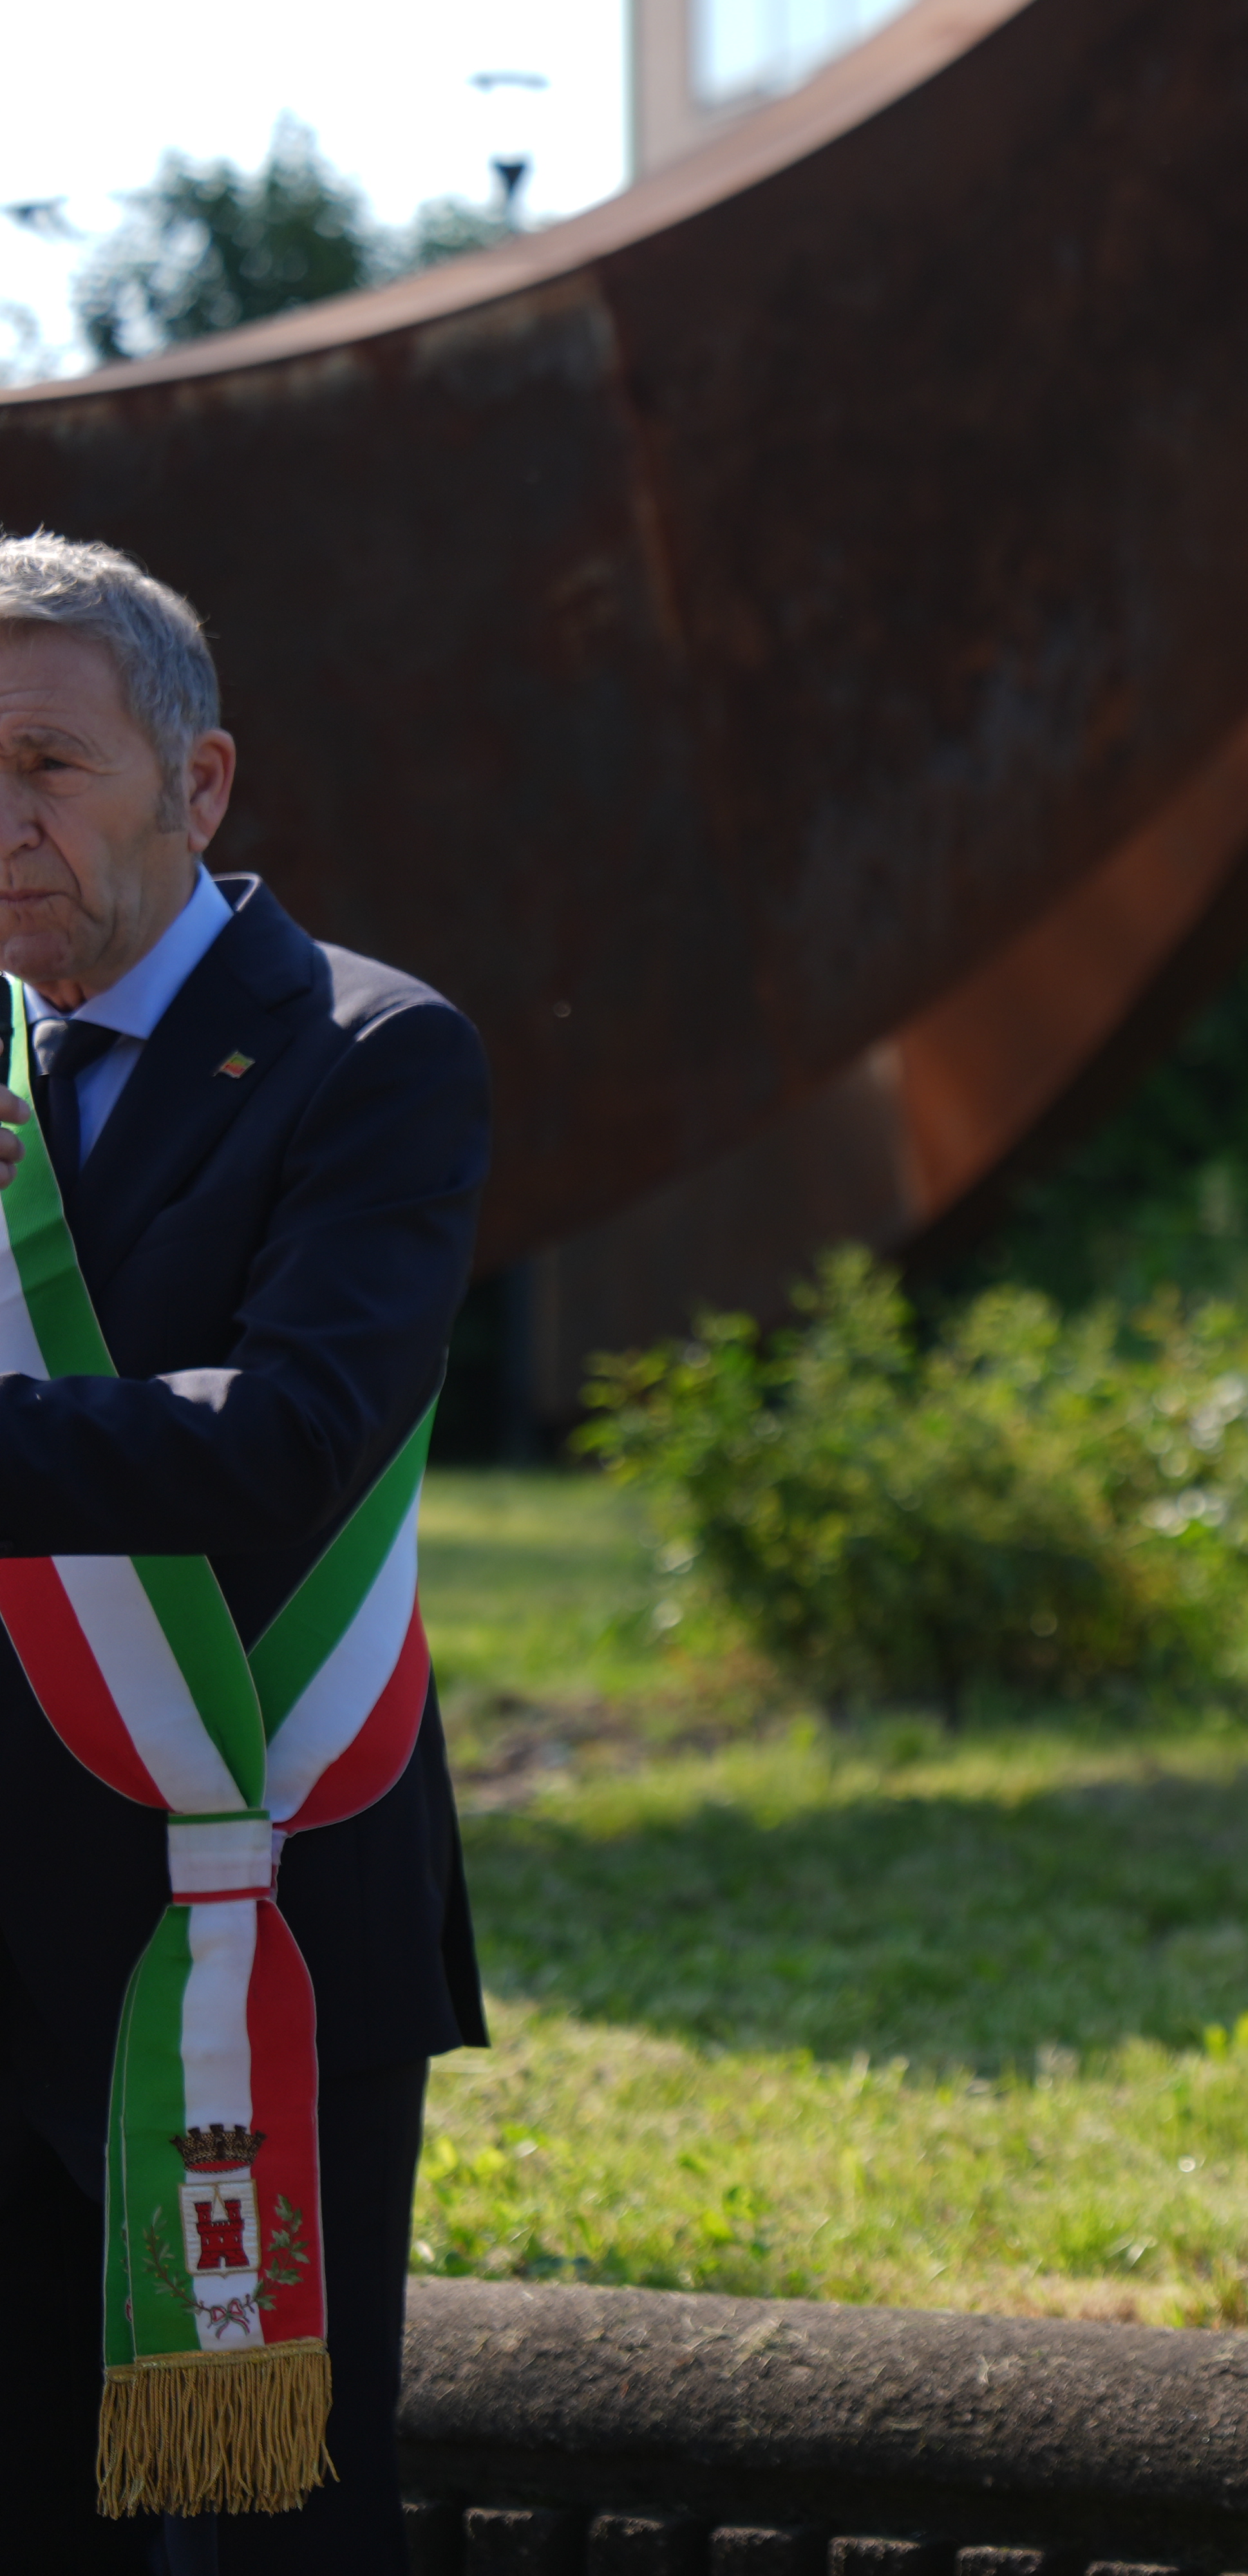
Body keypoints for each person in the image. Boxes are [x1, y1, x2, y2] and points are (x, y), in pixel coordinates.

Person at [0, 535, 489, 2570]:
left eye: (47, 760)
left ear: (198, 785)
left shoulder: (371, 1055)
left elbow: (289, 1435)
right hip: (9, 1910)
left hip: (240, 1900)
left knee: (255, 2530)